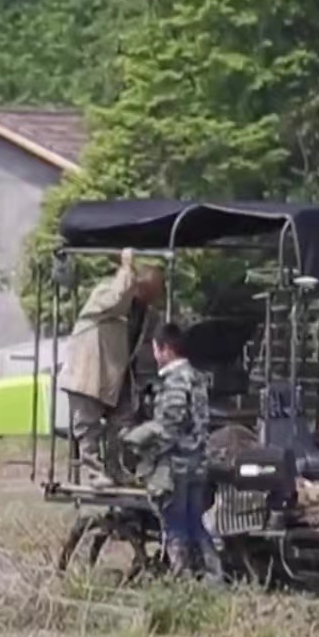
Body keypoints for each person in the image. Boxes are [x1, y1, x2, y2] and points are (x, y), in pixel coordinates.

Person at [124, 322, 224, 582]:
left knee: (175, 526)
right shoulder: (197, 378)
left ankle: (182, 580)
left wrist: (139, 445)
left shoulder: (175, 381)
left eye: (156, 349)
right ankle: (214, 576)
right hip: (198, 463)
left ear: (164, 349)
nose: (155, 355)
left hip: (177, 467)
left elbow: (170, 426)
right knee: (195, 523)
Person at [62, 249, 164, 486]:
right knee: (88, 425)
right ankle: (94, 472)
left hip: (116, 373)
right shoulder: (105, 295)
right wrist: (126, 267)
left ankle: (115, 468)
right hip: (89, 370)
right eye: (150, 291)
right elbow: (117, 297)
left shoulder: (145, 313)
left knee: (123, 422)